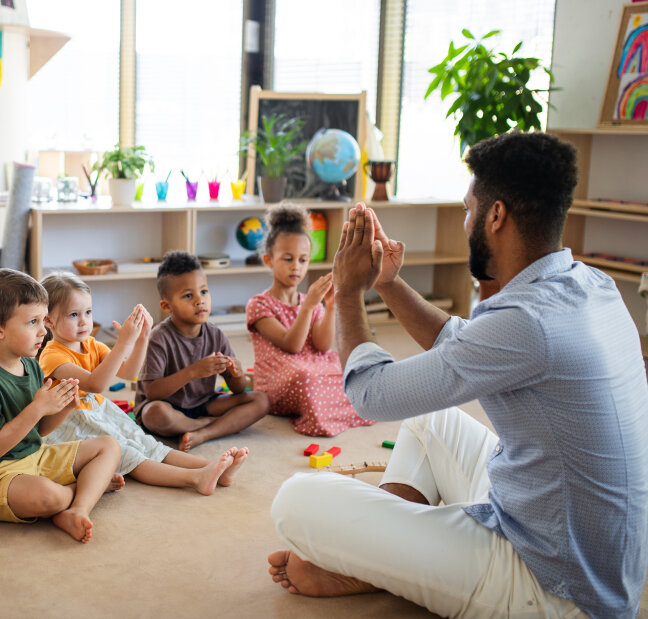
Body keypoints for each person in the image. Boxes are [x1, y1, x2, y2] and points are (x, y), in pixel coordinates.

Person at [267, 131, 648, 618]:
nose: (466, 220)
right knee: (433, 423)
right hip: (585, 554)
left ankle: (381, 561)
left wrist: (346, 292)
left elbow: (369, 394)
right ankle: (377, 564)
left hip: (555, 588)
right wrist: (388, 283)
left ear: (496, 215)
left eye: (469, 209)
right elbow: (463, 341)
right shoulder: (588, 284)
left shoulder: (526, 322)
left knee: (295, 498)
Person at [37, 272, 249, 494]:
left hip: (97, 411)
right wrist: (123, 342)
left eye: (88, 312)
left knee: (146, 443)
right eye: (73, 315)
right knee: (129, 454)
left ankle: (215, 470)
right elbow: (95, 384)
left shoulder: (91, 344)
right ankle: (195, 478)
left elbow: (129, 372)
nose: (84, 321)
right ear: (48, 320)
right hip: (70, 424)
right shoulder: (52, 356)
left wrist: (141, 339)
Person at [0, 268, 123, 544]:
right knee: (49, 496)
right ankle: (85, 490)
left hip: (34, 455)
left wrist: (66, 406)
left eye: (43, 320)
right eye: (33, 322)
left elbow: (40, 431)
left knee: (109, 446)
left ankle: (78, 508)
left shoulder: (30, 365)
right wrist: (37, 407)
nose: (44, 331)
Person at [247, 203, 374, 436]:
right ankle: (335, 405)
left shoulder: (309, 301)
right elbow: (292, 345)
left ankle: (346, 402)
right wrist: (309, 306)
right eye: (288, 259)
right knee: (309, 379)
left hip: (314, 367)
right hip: (280, 380)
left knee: (356, 367)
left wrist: (331, 306)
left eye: (303, 260)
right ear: (268, 260)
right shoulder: (259, 304)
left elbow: (322, 346)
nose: (296, 266)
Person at [135, 251, 269, 451]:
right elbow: (152, 393)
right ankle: (213, 425)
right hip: (167, 406)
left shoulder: (215, 335)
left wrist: (236, 374)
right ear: (166, 305)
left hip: (204, 404)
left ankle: (204, 434)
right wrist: (193, 371)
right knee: (154, 414)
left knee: (260, 400)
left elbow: (238, 390)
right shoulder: (158, 338)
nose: (200, 301)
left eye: (204, 292)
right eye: (188, 295)